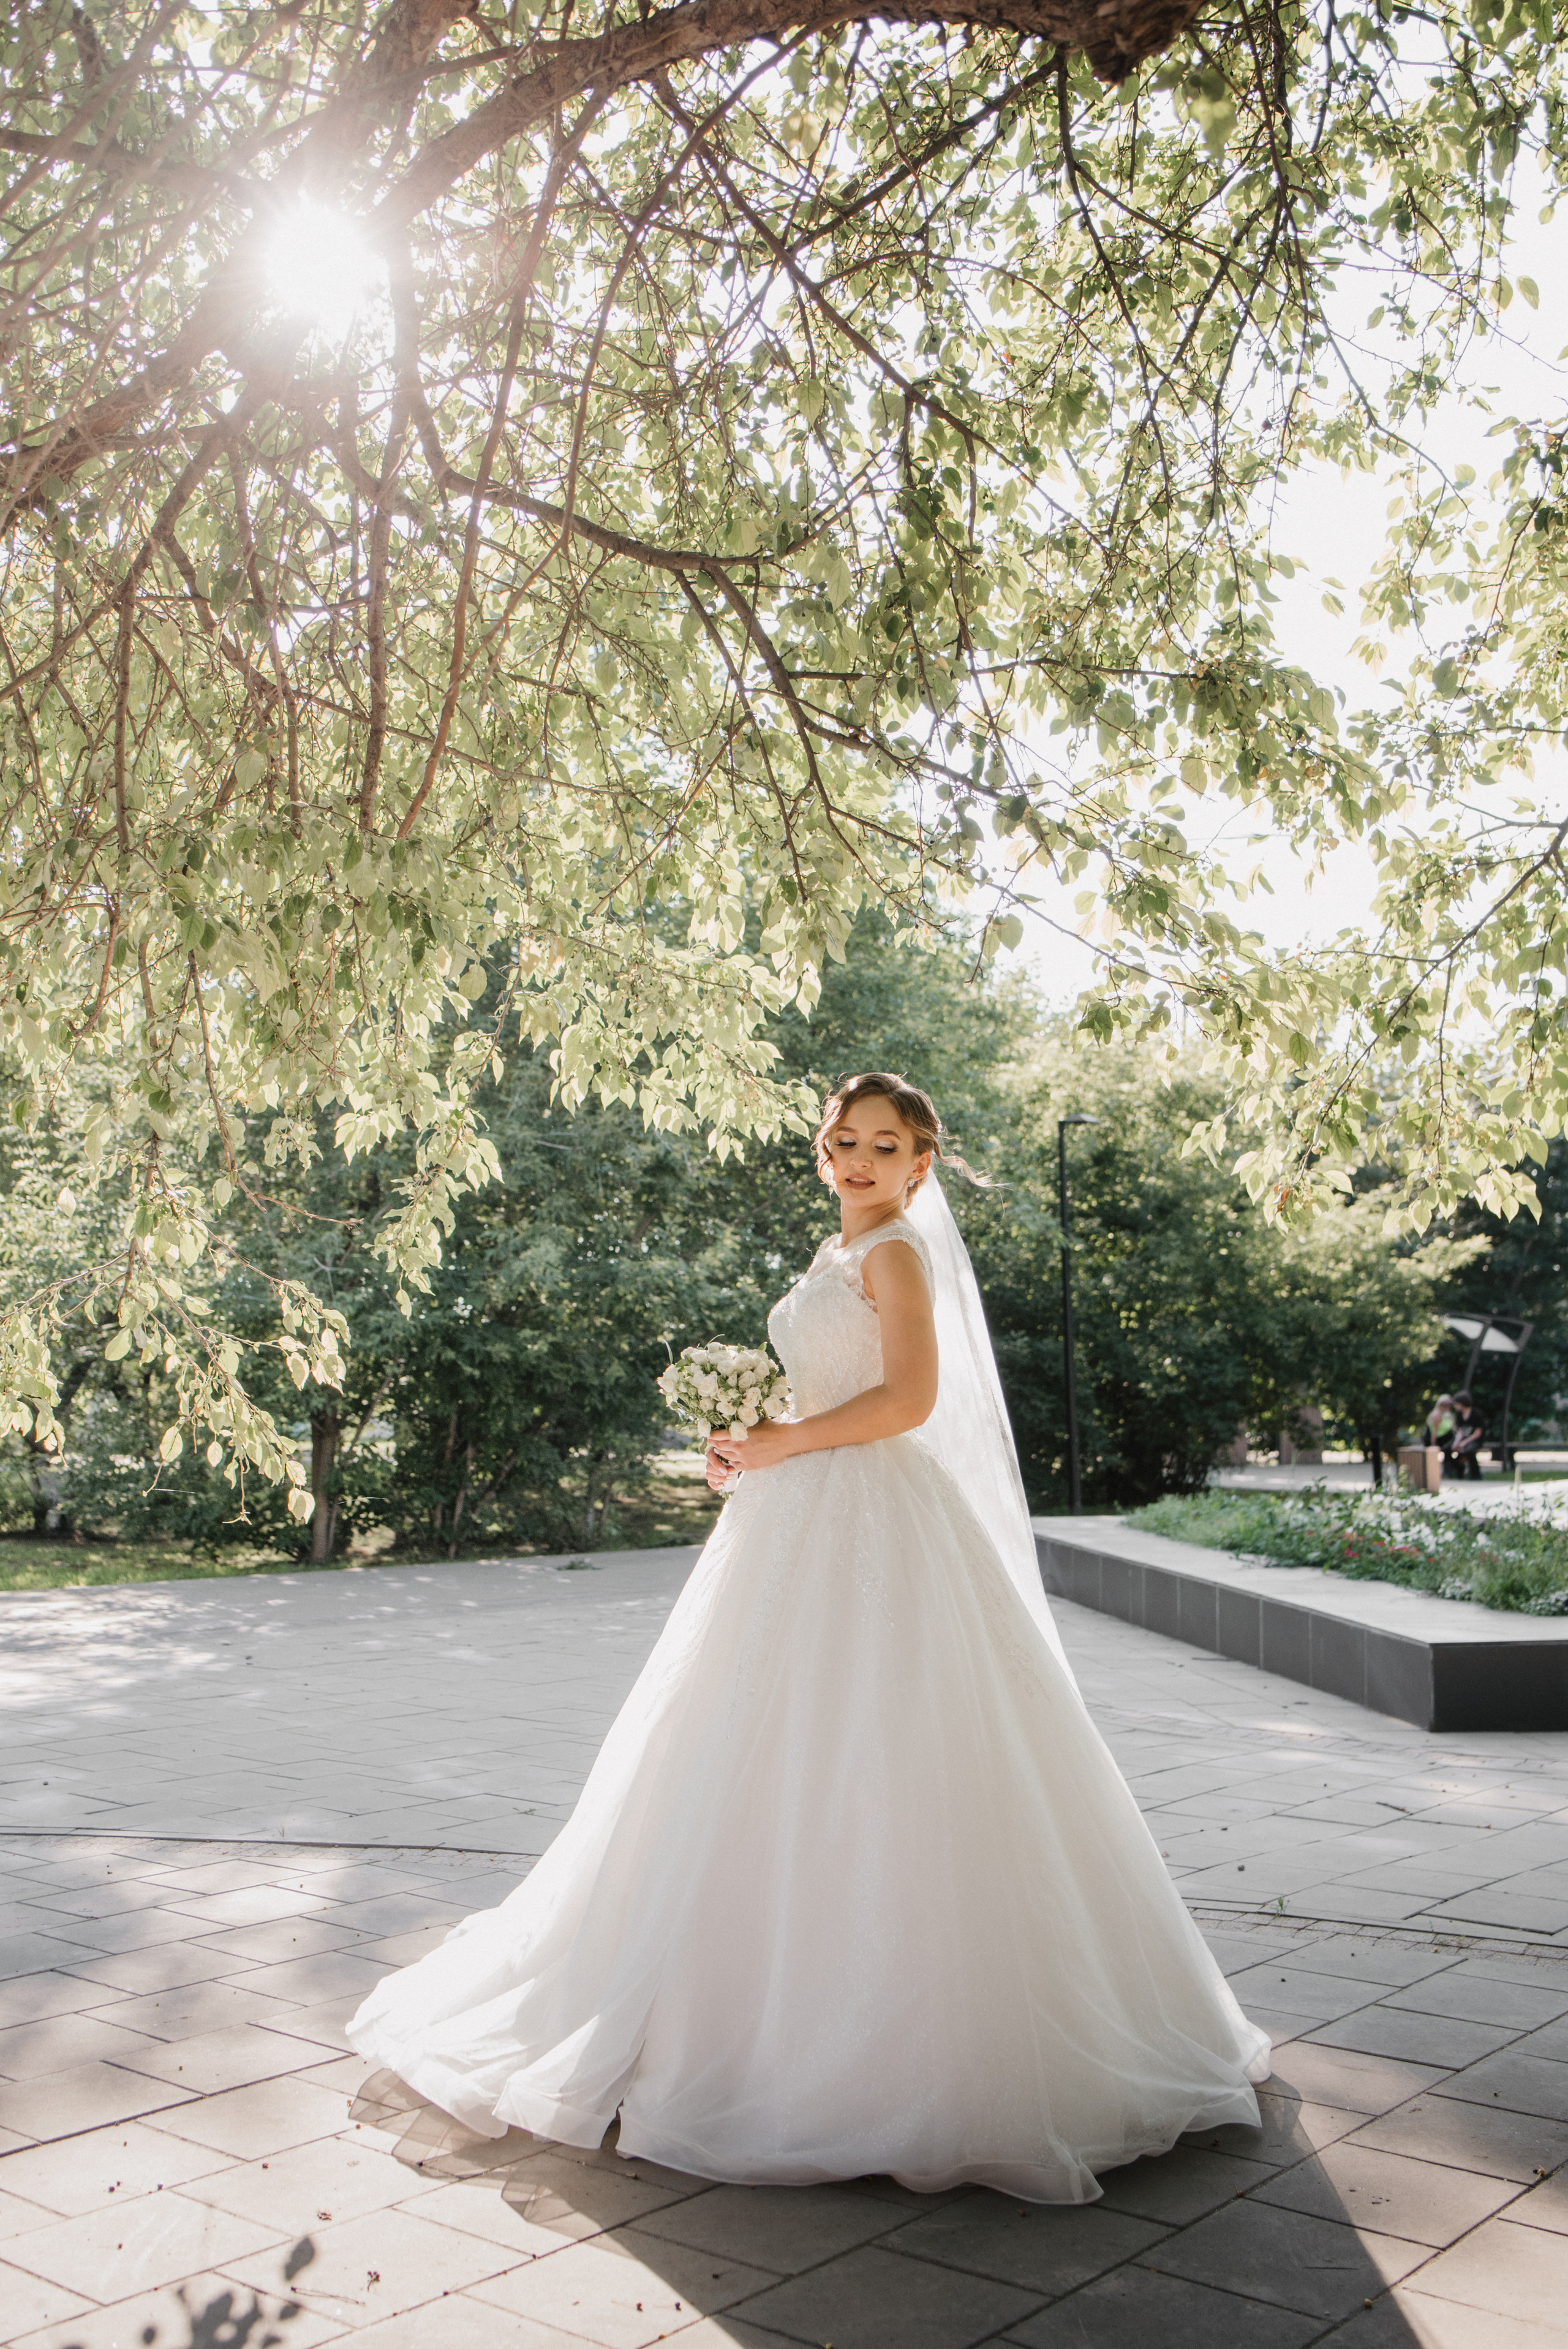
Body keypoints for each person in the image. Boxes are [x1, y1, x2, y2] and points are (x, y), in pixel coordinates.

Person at [349, 1072, 1269, 2202]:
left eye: (889, 1144)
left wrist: (780, 1441)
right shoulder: (836, 1258)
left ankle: (890, 2054)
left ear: (923, 1162)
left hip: (876, 1509)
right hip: (796, 1512)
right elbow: (822, 1387)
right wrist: (744, 1444)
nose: (864, 1159)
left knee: (880, 1749)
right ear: (824, 1152)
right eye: (847, 1140)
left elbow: (910, 1400)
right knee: (743, 1744)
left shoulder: (896, 1252)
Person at [1447, 1390, 1485, 1480]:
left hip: (1475, 1440)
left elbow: (1478, 1433)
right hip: (1463, 1439)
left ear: (1462, 1403)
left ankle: (1475, 1475)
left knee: (1469, 1451)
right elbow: (1460, 1431)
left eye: (1456, 1404)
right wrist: (1456, 1443)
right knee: (1446, 1449)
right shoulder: (1459, 1415)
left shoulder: (1476, 1414)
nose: (1455, 1406)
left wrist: (1464, 1443)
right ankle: (1455, 1471)